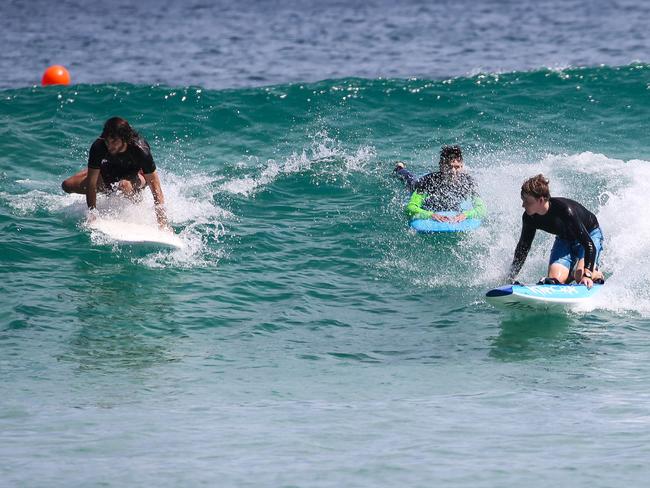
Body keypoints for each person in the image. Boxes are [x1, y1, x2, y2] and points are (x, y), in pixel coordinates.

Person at [62, 117, 169, 229]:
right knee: (67, 185)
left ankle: (137, 200)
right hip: (109, 172)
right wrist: (92, 214)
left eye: (114, 141)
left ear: (125, 138)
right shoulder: (99, 146)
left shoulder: (140, 149)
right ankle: (102, 181)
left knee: (124, 185)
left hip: (136, 175)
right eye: (107, 140)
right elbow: (91, 184)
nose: (109, 144)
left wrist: (162, 223)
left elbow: (155, 186)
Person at [507, 174, 604, 288]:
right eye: (523, 200)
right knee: (554, 280)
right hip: (565, 238)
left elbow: (588, 244)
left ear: (541, 200)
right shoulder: (529, 218)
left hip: (590, 235)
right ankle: (572, 273)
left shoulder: (565, 211)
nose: (523, 205)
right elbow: (523, 248)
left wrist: (587, 276)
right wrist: (511, 276)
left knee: (581, 275)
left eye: (527, 202)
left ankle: (596, 275)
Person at [394, 145, 486, 222]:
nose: (453, 171)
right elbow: (410, 208)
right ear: (441, 166)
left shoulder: (468, 183)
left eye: (457, 167)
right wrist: (431, 215)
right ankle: (400, 168)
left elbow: (482, 209)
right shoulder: (428, 182)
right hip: (421, 193)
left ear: (462, 166)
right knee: (410, 180)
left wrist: (466, 215)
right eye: (449, 167)